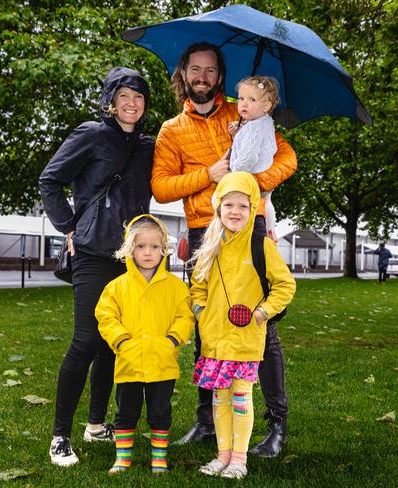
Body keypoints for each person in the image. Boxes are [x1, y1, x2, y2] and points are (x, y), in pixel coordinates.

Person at [152, 42, 297, 457]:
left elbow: (288, 158)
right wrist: (207, 174)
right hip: (203, 234)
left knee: (260, 328)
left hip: (248, 232)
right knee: (205, 327)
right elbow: (161, 188)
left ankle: (276, 426)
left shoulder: (245, 111)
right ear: (185, 73)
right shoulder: (170, 130)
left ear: (219, 76)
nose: (203, 76)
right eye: (195, 69)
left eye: (211, 70)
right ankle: (206, 419)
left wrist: (256, 187)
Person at [38, 67, 154, 466]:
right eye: (124, 95)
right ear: (110, 100)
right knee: (86, 340)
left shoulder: (148, 145)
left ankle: (95, 423)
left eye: (139, 97)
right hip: (90, 251)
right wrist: (69, 226)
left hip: (132, 258)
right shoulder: (91, 134)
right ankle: (59, 436)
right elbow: (50, 180)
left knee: (112, 344)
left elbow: (179, 175)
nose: (132, 103)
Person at [190, 172, 296, 479]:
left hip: (246, 339)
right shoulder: (210, 245)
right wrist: (201, 311)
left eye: (243, 205)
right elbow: (197, 287)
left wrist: (264, 312)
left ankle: (239, 459)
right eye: (228, 205)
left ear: (253, 209)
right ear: (218, 207)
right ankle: (222, 456)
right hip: (214, 339)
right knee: (219, 398)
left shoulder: (261, 246)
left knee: (241, 396)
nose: (235, 212)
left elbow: (285, 285)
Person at [95, 214, 194, 474]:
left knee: (160, 412)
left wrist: (172, 340)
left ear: (163, 249)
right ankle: (122, 458)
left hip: (162, 362)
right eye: (140, 246)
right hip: (129, 361)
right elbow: (105, 316)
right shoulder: (117, 287)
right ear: (130, 249)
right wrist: (121, 340)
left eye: (153, 246)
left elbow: (185, 316)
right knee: (125, 411)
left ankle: (159, 458)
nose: (147, 252)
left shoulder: (176, 287)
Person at [227, 75, 281, 240]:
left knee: (223, 200)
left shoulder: (255, 127)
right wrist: (239, 133)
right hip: (262, 174)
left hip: (251, 174)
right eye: (241, 98)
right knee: (266, 202)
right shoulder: (260, 123)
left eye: (251, 99)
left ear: (266, 106)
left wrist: (233, 173)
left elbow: (249, 156)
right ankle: (270, 229)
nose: (244, 103)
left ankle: (253, 231)